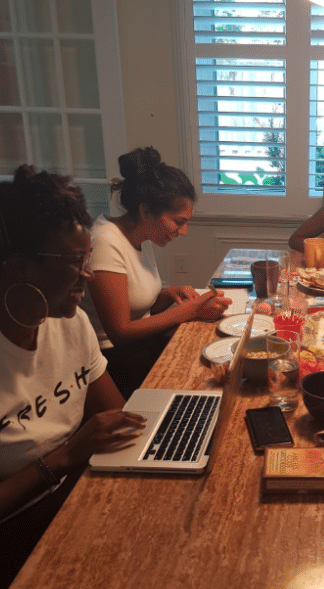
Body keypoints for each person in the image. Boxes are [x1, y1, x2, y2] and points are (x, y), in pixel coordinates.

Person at [0, 165, 146, 589]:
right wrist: (66, 455)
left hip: (76, 494)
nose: (88, 274)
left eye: (87, 258)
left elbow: (117, 413)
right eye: (72, 261)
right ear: (18, 267)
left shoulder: (71, 323)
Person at [81, 147, 231, 398]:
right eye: (178, 221)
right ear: (145, 211)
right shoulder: (105, 243)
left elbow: (136, 304)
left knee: (220, 360)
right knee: (206, 380)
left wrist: (167, 295)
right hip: (114, 365)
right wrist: (189, 312)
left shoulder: (141, 236)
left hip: (141, 348)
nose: (182, 232)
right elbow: (120, 332)